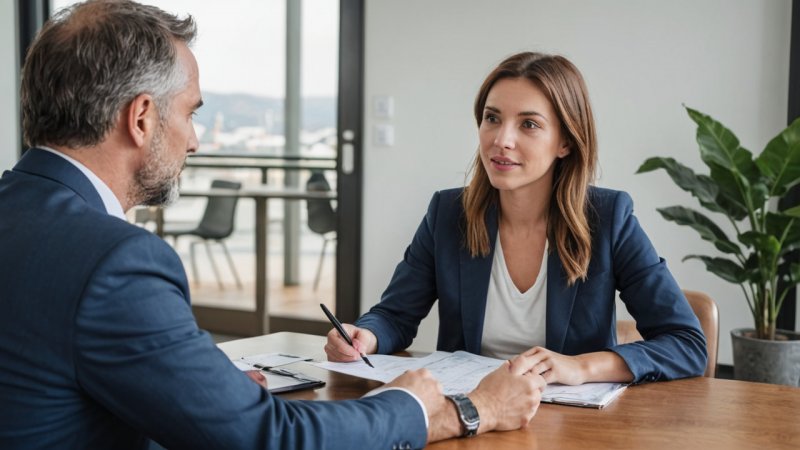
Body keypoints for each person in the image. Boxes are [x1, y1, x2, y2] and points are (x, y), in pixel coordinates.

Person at [0, 2, 546, 449]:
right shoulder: (115, 262)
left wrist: (196, 389)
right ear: (141, 118)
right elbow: (267, 439)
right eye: (191, 113)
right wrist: (439, 410)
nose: (195, 140)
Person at [325, 51, 708, 386]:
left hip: (571, 425)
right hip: (471, 415)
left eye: (529, 124)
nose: (501, 139)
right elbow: (395, 315)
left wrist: (580, 367)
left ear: (566, 142)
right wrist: (365, 337)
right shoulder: (447, 213)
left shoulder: (609, 219)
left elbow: (686, 343)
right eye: (492, 118)